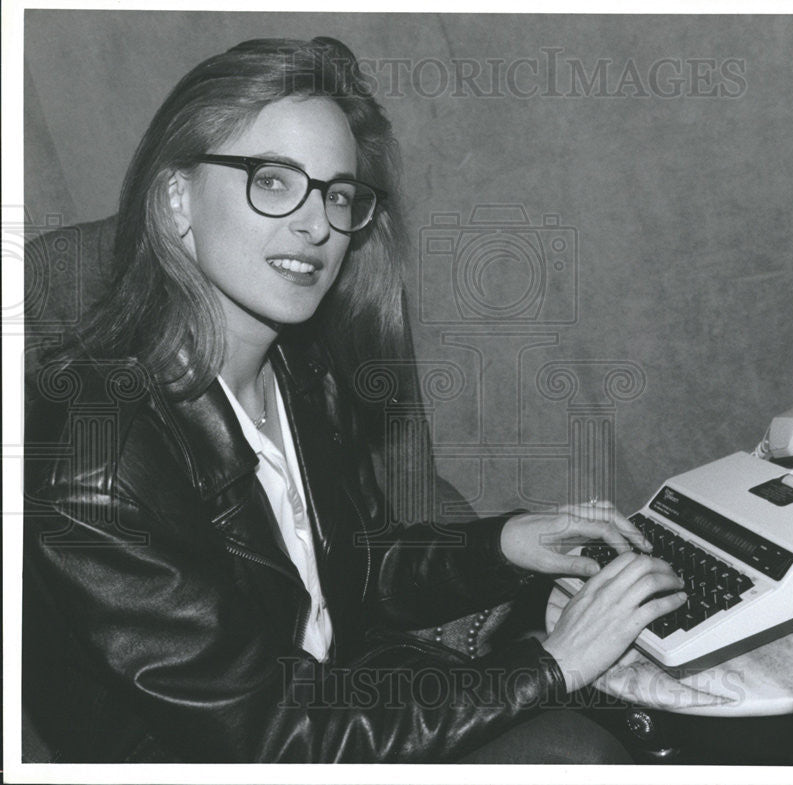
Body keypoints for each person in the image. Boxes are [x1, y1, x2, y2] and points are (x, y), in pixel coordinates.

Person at [22, 37, 686, 764]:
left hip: (333, 704)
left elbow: (350, 570)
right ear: (177, 197)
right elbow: (269, 739)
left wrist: (505, 543)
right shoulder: (93, 468)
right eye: (273, 181)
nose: (318, 226)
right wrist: (554, 663)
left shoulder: (297, 370)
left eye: (338, 193)